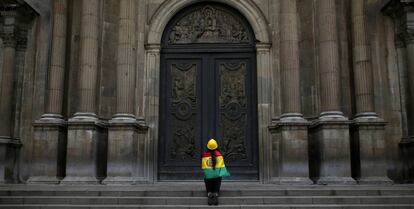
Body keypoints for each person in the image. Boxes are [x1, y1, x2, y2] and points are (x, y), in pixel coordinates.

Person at [201, 138, 230, 205]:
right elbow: (222, 166)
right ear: (216, 146)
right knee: (218, 177)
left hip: (208, 177)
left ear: (208, 146)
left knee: (207, 177)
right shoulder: (219, 155)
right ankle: (216, 193)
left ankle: (209, 193)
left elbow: (204, 167)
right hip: (217, 177)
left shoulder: (205, 155)